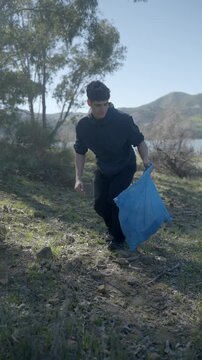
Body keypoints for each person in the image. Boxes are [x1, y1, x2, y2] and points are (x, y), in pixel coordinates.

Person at [74, 80, 150, 250]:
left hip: (125, 165)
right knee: (100, 204)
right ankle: (114, 229)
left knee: (115, 199)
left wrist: (145, 159)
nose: (102, 109)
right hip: (103, 167)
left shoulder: (122, 120)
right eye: (98, 105)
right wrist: (78, 178)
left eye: (105, 104)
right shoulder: (83, 126)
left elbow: (139, 141)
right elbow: (80, 151)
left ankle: (118, 239)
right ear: (89, 103)